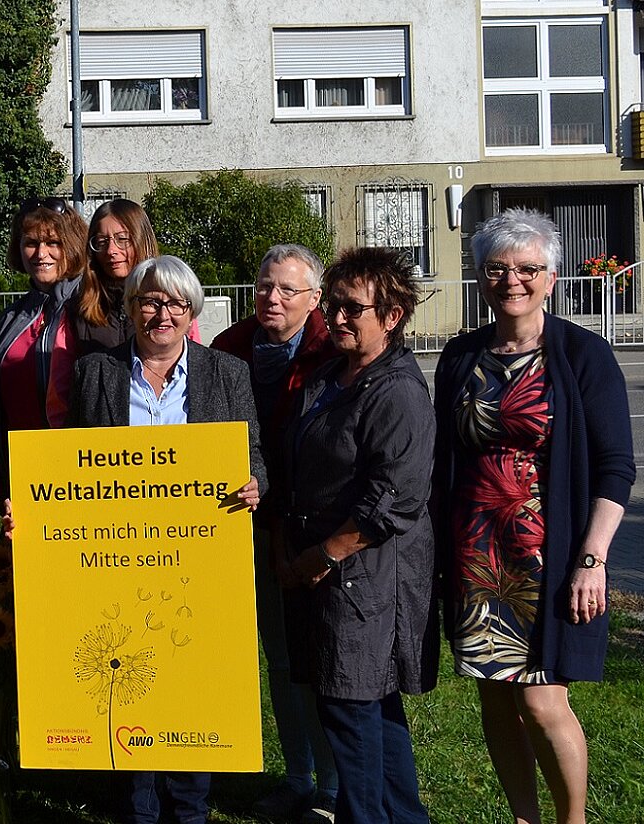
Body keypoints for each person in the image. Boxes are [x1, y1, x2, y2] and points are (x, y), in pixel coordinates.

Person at [433, 209, 635, 824]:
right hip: (476, 553)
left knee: (543, 701)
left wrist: (591, 561)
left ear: (551, 276)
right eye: (497, 269)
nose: (511, 280)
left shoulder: (582, 355)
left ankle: (572, 819)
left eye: (527, 269)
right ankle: (524, 818)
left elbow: (615, 468)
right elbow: (444, 453)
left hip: (548, 555)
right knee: (496, 700)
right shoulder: (461, 354)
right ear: (480, 277)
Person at [65, 254, 263, 824]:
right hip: (120, 556)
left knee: (190, 677)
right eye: (149, 301)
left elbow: (253, 459)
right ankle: (138, 804)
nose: (162, 314)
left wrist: (255, 486)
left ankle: (190, 805)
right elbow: (72, 464)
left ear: (191, 311)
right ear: (129, 309)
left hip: (199, 557)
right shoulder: (94, 373)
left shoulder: (226, 374)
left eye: (175, 303)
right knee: (127, 673)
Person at [277, 247, 437, 824]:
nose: (338, 319)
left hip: (363, 575)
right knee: (371, 705)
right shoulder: (331, 374)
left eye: (353, 310)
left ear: (391, 317)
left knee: (350, 706)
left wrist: (321, 556)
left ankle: (365, 817)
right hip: (325, 567)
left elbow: (393, 500)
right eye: (335, 306)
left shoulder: (395, 391)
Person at [211, 245, 340, 823]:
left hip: (317, 529)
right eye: (265, 286)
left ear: (314, 300)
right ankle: (298, 776)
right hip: (248, 525)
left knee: (324, 660)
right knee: (281, 659)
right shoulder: (228, 348)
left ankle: (336, 788)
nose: (273, 298)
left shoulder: (332, 349)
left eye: (289, 290)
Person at [0, 197, 92, 513]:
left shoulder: (90, 308)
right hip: (24, 470)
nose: (40, 253)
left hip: (78, 472)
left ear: (71, 245)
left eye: (52, 243)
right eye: (31, 242)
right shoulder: (12, 316)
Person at [79, 198, 159, 352]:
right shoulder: (78, 310)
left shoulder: (174, 303)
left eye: (122, 239)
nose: (111, 250)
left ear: (142, 240)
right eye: (102, 242)